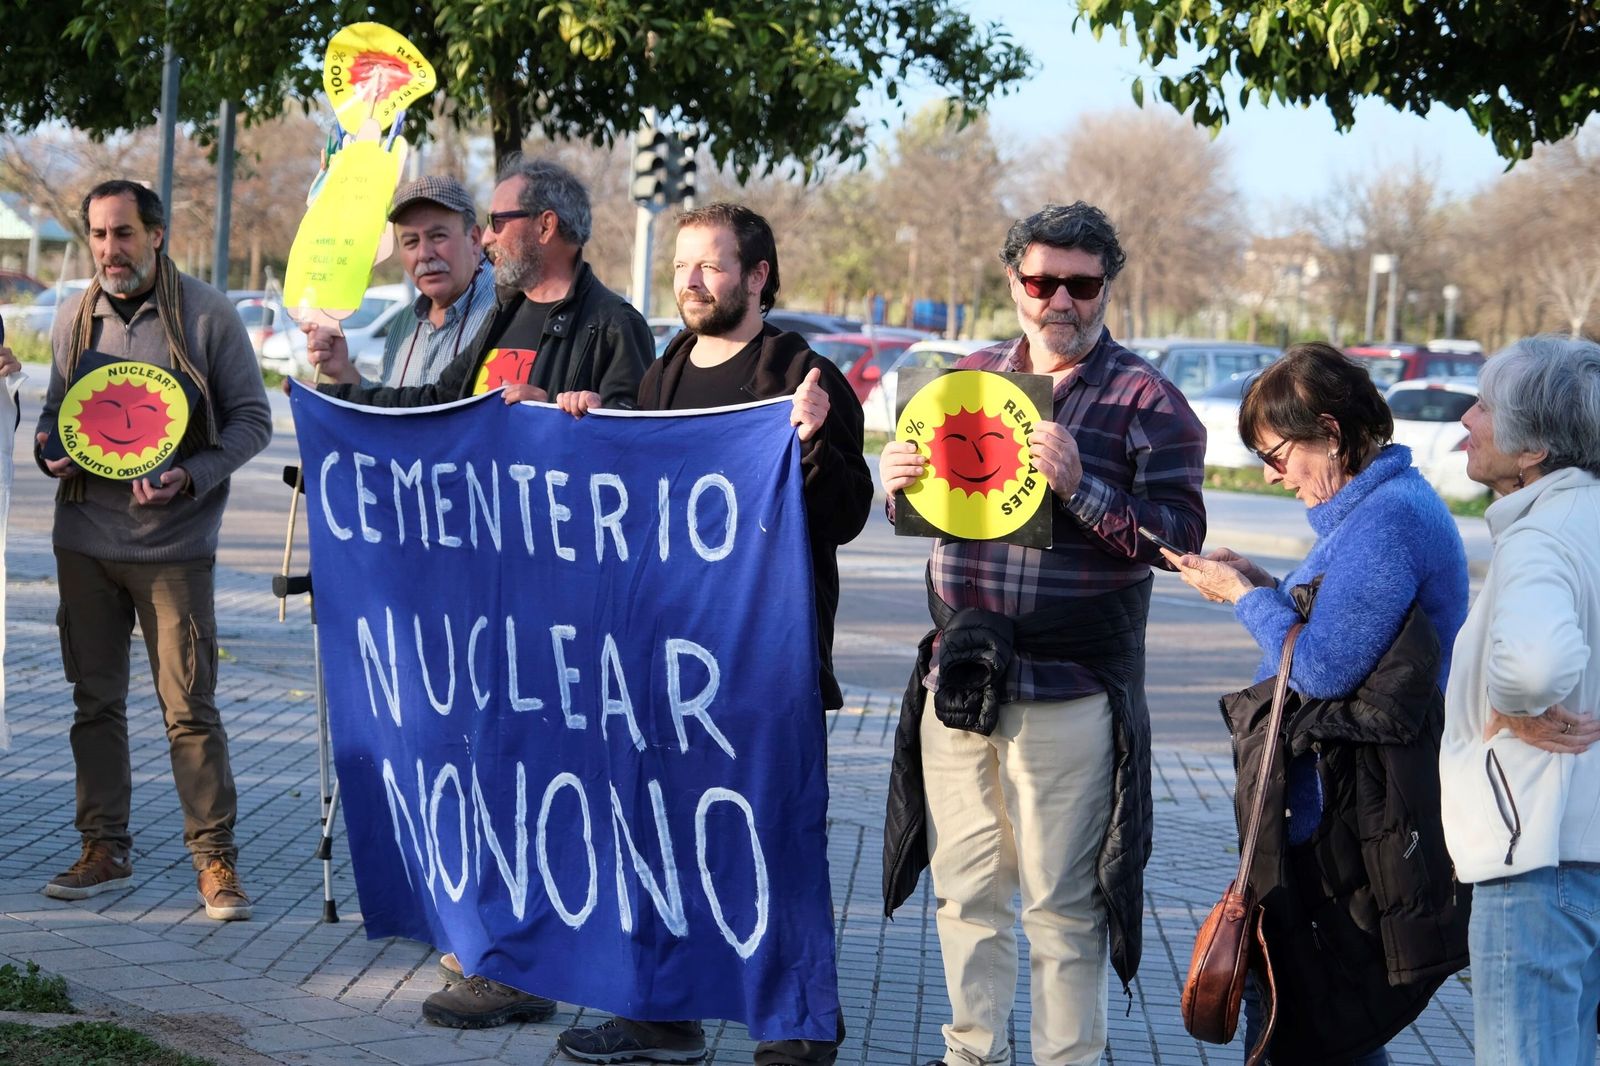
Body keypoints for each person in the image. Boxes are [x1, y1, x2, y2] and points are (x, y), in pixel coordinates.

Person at [880, 201, 1207, 1066]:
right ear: (1015, 284)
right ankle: (971, 1054)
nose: (1060, 300)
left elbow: (1181, 540)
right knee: (963, 892)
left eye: (1081, 283)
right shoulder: (968, 377)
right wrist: (898, 482)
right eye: (1040, 281)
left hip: (1068, 689)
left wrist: (1082, 489)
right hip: (959, 675)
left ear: (1108, 285)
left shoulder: (1148, 399)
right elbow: (930, 510)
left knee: (1062, 907)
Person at [549, 203, 872, 1065]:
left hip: (765, 666)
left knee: (774, 838)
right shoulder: (662, 374)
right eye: (683, 265)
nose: (691, 282)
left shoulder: (804, 376)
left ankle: (797, 1027)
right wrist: (577, 423)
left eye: (712, 266)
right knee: (659, 832)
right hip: (666, 662)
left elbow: (844, 514)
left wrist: (807, 441)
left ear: (758, 275)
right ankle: (664, 1017)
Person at [1164, 342, 1471, 1064]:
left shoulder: (1388, 520)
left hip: (1351, 817)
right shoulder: (1379, 509)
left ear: (1330, 433)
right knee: (1327, 1030)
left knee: (1312, 1031)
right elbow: (1342, 627)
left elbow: (1327, 667)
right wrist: (1265, 584)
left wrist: (1244, 599)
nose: (1274, 478)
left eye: (1277, 455)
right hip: (1344, 808)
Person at [34, 180, 272, 920]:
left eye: (124, 234)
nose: (111, 250)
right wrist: (52, 453)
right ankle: (104, 850)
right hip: (84, 544)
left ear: (157, 235)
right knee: (93, 703)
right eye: (100, 236)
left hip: (174, 548)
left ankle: (215, 861)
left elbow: (252, 422)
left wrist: (190, 475)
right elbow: (53, 415)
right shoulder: (73, 315)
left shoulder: (207, 314)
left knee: (188, 710)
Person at [1437, 335, 1600, 1066]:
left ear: (1534, 447)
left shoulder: (1543, 538)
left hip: (1538, 856)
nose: (1466, 421)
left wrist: (1516, 701)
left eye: (1484, 406)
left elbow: (1534, 665)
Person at [308, 154, 651, 413]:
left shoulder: (615, 325)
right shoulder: (504, 313)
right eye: (409, 241)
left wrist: (550, 418)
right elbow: (437, 403)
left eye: (497, 222)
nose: (487, 237)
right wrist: (327, 399)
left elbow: (631, 450)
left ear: (545, 227)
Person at [369, 176, 496, 389]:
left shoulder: (508, 310)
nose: (424, 254)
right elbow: (389, 408)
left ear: (474, 239)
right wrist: (342, 370)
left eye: (438, 236)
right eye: (411, 242)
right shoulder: (403, 323)